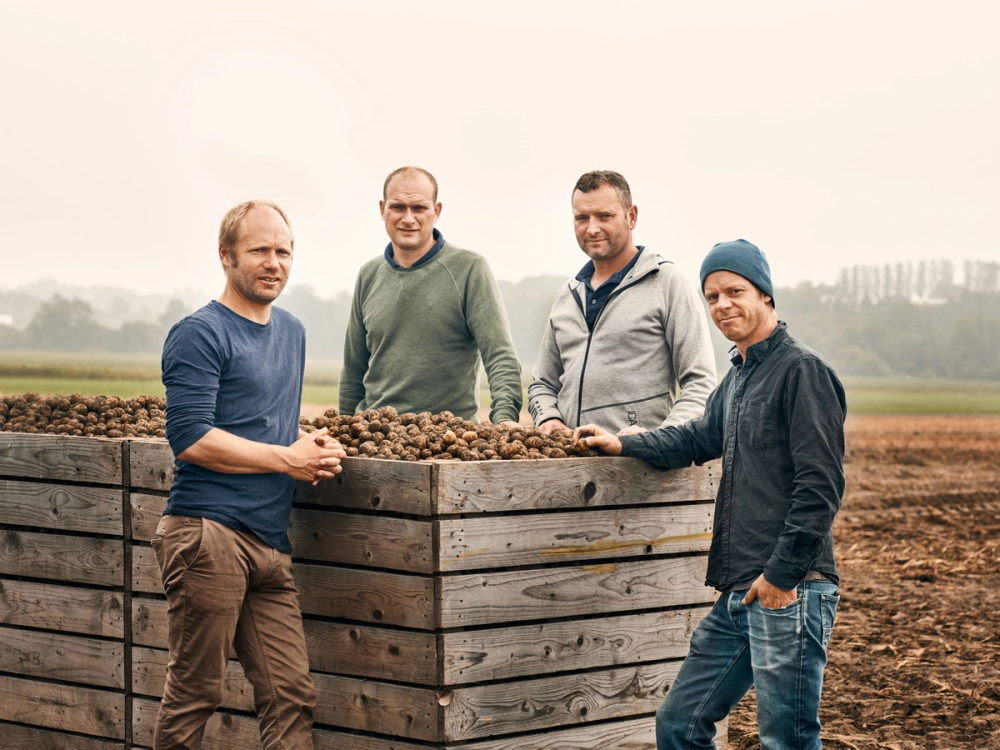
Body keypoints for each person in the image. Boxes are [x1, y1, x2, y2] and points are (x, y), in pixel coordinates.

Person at [574, 240, 845, 750]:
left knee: (785, 739)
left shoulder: (801, 372)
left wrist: (780, 578)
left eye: (734, 291)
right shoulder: (740, 377)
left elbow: (821, 488)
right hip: (740, 590)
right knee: (679, 723)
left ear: (765, 294)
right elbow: (697, 438)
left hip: (789, 588)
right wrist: (623, 443)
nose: (722, 305)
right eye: (712, 296)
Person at [156, 200, 346, 750]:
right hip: (207, 534)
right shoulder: (199, 333)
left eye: (283, 251)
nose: (274, 262)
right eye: (259, 250)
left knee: (290, 696)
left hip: (268, 541)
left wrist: (308, 446)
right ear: (226, 255)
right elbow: (190, 437)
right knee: (195, 692)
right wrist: (288, 460)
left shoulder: (292, 331)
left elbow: (265, 426)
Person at [528, 170, 715, 436]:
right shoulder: (566, 295)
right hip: (568, 468)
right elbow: (543, 384)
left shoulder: (667, 284)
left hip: (641, 470)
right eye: (582, 218)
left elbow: (700, 385)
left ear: (632, 216)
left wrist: (657, 442)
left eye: (605, 216)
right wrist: (548, 418)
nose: (592, 228)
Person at [339, 166, 522, 425]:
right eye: (398, 207)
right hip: (376, 435)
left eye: (419, 208)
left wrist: (505, 419)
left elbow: (499, 353)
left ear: (436, 211)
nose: (408, 218)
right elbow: (353, 369)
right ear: (382, 209)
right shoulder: (368, 275)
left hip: (448, 440)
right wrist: (345, 428)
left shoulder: (469, 269)